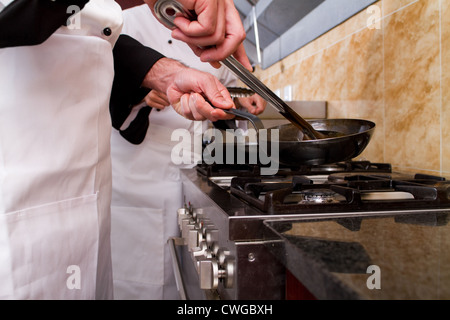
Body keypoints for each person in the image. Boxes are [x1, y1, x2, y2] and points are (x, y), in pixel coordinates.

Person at [0, 0, 250, 300]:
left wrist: (167, 74)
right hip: (22, 186)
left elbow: (90, 35)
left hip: (89, 192)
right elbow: (22, 17)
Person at [109, 2, 266, 300]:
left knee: (193, 288)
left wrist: (246, 97)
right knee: (139, 286)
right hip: (138, 182)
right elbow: (105, 84)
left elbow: (233, 86)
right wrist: (145, 92)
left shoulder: (213, 26)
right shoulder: (122, 18)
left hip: (195, 176)